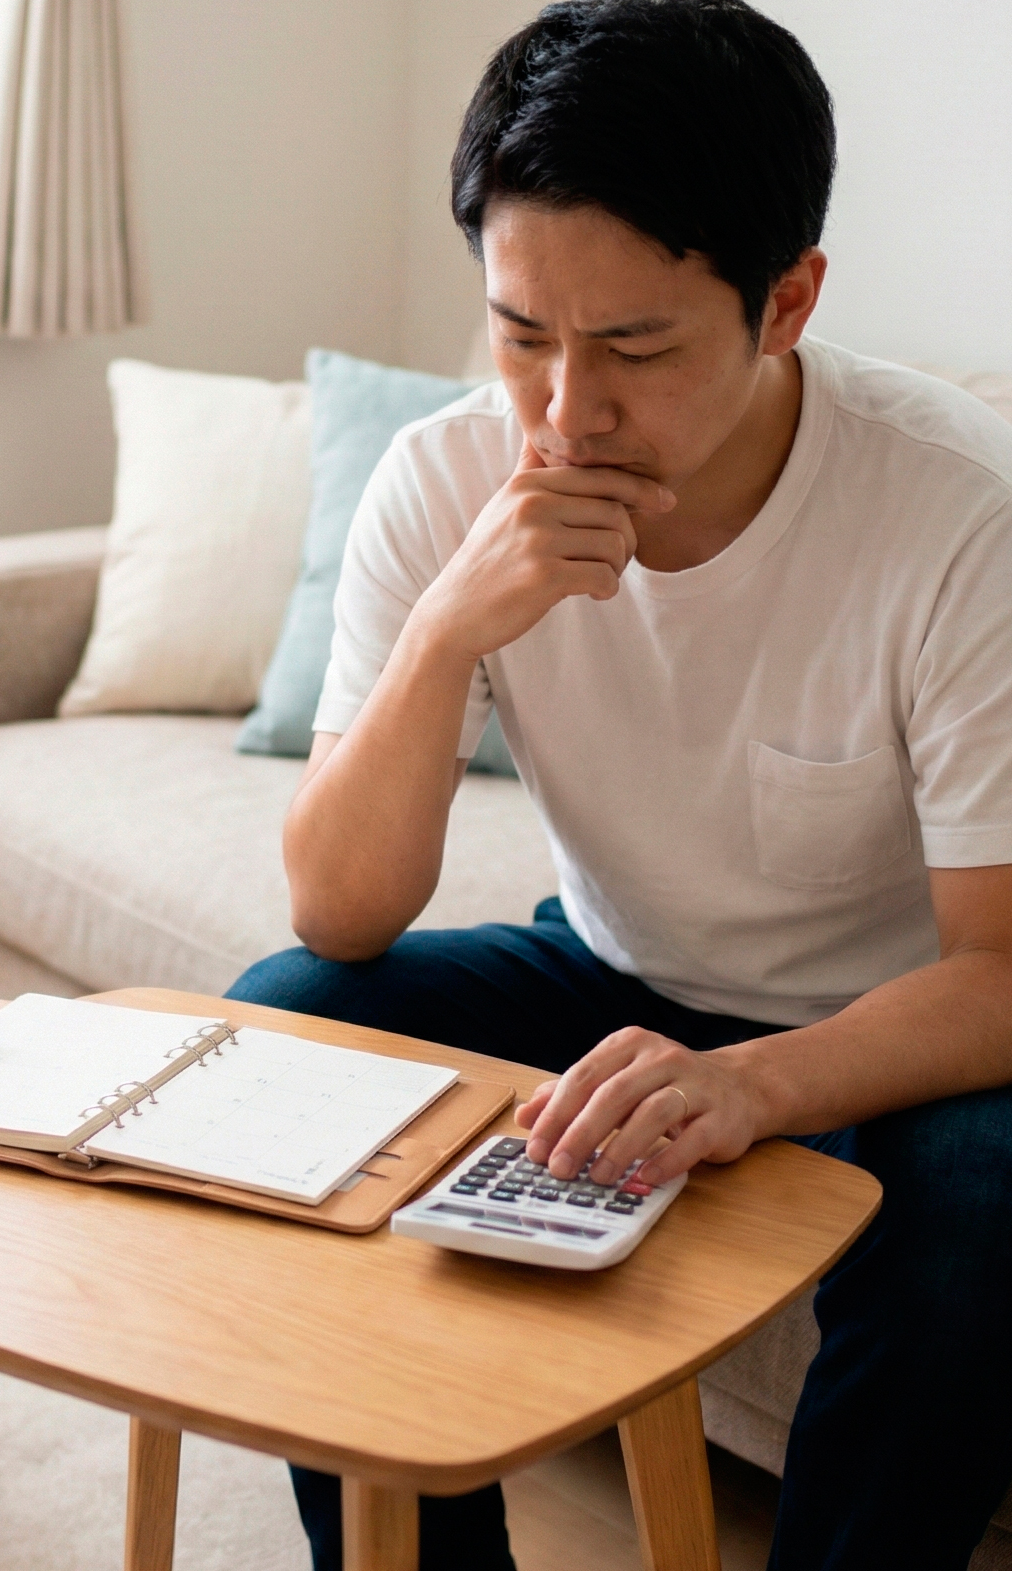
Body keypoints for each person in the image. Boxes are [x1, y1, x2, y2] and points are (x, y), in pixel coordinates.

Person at [226, 2, 1012, 1567]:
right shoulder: (445, 479)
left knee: (982, 1201)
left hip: (891, 1031)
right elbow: (340, 905)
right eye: (521, 335)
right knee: (290, 1014)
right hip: (610, 970)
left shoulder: (952, 515)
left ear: (783, 300)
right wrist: (449, 628)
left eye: (632, 346)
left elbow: (996, 970)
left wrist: (754, 1084)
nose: (564, 414)